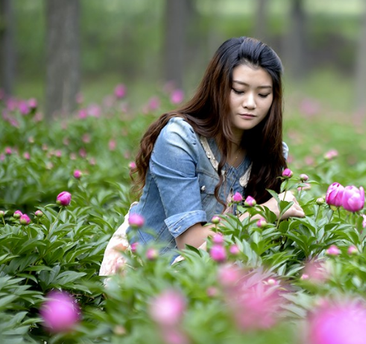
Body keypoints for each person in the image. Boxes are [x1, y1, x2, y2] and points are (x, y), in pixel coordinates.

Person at [100, 37, 305, 275]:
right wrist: (269, 210)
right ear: (217, 87)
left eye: (263, 94)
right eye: (239, 90)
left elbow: (258, 242)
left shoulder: (272, 153)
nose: (250, 103)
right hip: (146, 269)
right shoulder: (179, 139)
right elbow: (191, 243)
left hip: (215, 272)